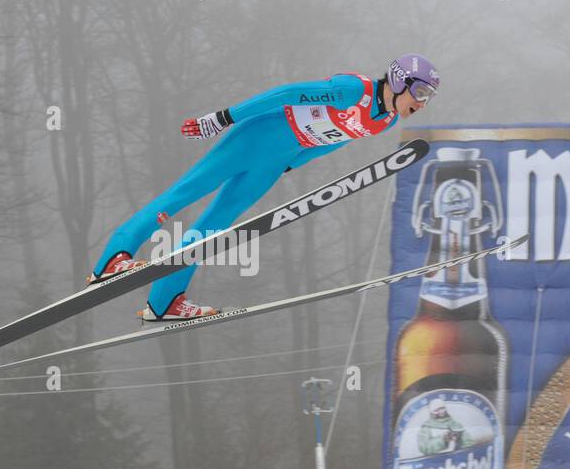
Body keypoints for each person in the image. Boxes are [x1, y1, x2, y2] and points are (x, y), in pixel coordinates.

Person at [89, 54, 440, 321]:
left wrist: (292, 164)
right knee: (185, 193)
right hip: (257, 136)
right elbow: (286, 93)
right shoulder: (355, 91)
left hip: (276, 160)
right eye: (420, 92)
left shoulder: (385, 120)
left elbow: (336, 139)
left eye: (429, 97)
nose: (422, 102)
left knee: (215, 226)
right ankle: (113, 257)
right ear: (399, 81)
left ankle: (165, 300)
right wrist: (223, 118)